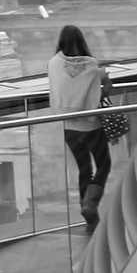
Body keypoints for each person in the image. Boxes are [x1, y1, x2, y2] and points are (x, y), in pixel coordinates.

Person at [49, 25, 110, 231]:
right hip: (91, 125)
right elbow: (105, 91)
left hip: (69, 125)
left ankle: (88, 216)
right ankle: (90, 203)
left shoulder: (54, 64)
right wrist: (103, 78)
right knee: (104, 164)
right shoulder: (93, 66)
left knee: (84, 169)